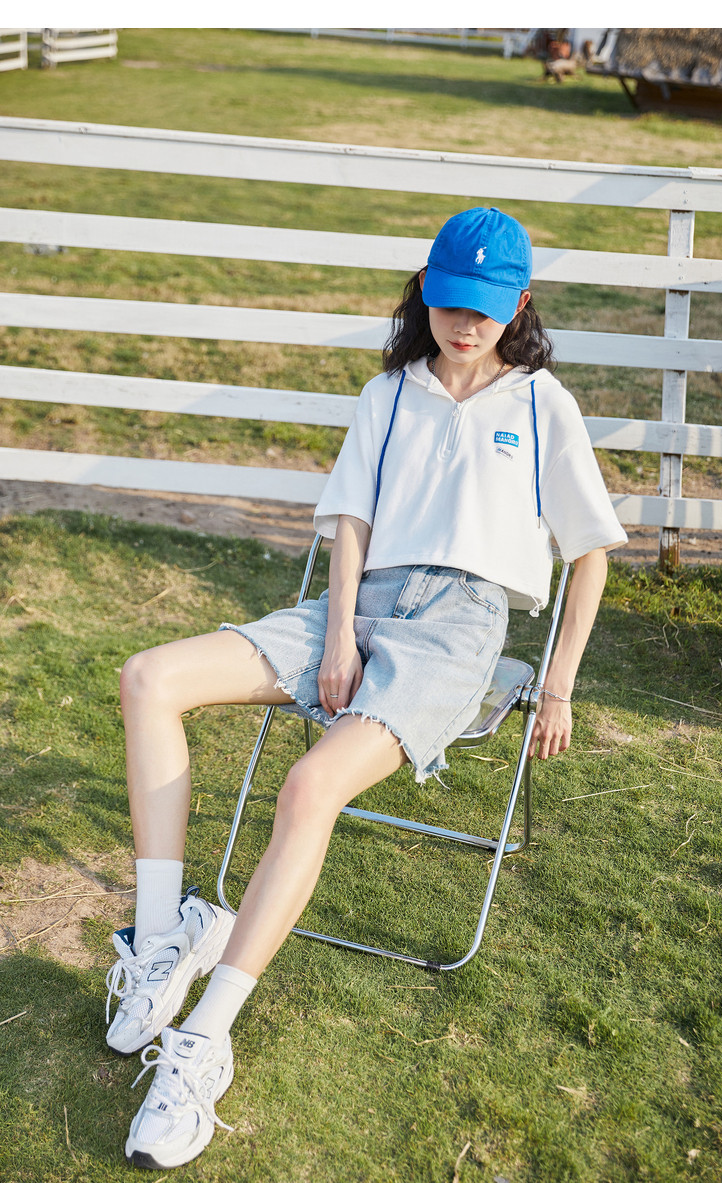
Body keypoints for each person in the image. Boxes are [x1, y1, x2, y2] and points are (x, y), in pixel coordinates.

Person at [107, 206, 627, 1170]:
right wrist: (340, 632)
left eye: (486, 309)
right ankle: (164, 935)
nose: (465, 325)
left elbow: (590, 551)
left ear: (519, 304)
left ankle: (203, 1040)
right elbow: (348, 523)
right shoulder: (388, 393)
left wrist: (557, 685)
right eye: (450, 304)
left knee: (310, 784)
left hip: (459, 628)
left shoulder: (541, 404)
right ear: (425, 291)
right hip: (360, 601)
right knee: (149, 676)